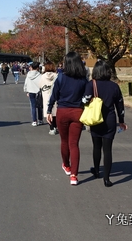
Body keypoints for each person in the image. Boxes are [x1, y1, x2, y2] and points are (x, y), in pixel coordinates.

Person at [46, 52, 89, 186]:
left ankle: (66, 165)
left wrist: (49, 110)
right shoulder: (83, 79)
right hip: (78, 112)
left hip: (62, 111)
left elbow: (54, 95)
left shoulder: (61, 78)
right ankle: (74, 176)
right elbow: (87, 96)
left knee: (64, 141)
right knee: (74, 144)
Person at [83, 59, 127, 187]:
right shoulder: (114, 86)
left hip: (95, 119)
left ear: (95, 71)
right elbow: (120, 105)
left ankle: (96, 171)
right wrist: (122, 121)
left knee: (96, 146)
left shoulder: (92, 84)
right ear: (108, 71)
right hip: (110, 120)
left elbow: (84, 101)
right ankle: (107, 179)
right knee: (108, 150)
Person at [38, 62, 59, 135]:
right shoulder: (57, 76)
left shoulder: (43, 76)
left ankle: (51, 128)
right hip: (55, 95)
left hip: (46, 95)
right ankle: (56, 127)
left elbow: (40, 86)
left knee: (48, 111)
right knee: (55, 112)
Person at [24, 62, 43, 126]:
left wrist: (26, 91)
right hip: (38, 92)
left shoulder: (29, 75)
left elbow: (26, 83)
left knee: (33, 106)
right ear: (37, 68)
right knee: (40, 106)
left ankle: (34, 121)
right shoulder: (40, 75)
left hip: (31, 91)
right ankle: (40, 119)